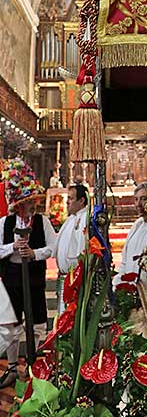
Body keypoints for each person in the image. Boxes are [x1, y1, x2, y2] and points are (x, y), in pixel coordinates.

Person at [0, 158, 57, 389]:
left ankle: (37, 368)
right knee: (10, 325)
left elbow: (54, 247)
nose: (32, 205)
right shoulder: (4, 223)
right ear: (17, 204)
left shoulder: (42, 222)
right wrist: (11, 248)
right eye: (27, 202)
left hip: (34, 278)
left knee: (38, 323)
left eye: (33, 201)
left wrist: (35, 253)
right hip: (11, 277)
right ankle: (13, 368)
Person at [54, 184, 88, 313]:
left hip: (75, 279)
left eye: (71, 198)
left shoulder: (85, 219)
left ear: (81, 200)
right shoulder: (71, 218)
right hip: (65, 277)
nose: (67, 201)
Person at [113, 183, 147, 288]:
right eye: (136, 199)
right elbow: (125, 259)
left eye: (143, 199)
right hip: (129, 288)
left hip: (146, 288)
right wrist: (119, 283)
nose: (139, 204)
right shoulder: (138, 224)